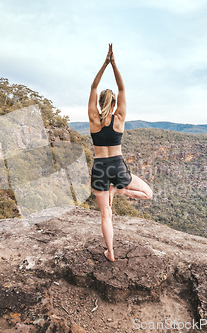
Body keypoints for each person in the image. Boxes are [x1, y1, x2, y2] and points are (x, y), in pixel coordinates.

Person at [88, 44, 153, 262]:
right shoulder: (119, 118)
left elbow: (93, 86)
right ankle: (120, 190)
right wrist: (114, 64)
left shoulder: (93, 118)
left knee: (106, 215)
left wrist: (104, 64)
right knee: (148, 194)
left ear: (99, 103)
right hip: (117, 167)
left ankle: (110, 252)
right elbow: (122, 88)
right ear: (115, 103)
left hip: (99, 168)